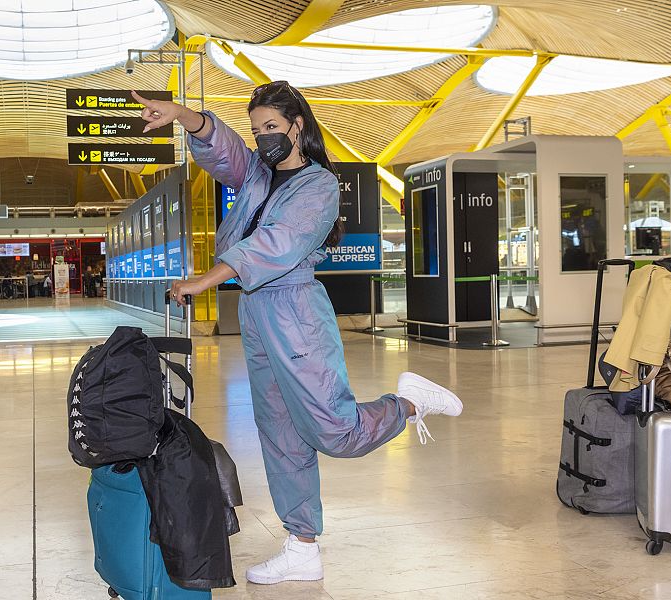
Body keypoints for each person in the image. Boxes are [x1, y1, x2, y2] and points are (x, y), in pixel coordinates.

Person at [134, 84, 464, 585]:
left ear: (297, 126)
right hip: (257, 312)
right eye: (257, 129)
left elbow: (278, 242)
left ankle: (408, 404)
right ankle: (302, 545)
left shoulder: (319, 187)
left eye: (272, 127)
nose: (263, 137)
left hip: (295, 312)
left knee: (335, 430)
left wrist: (208, 277)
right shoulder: (257, 176)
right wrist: (182, 114)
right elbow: (223, 151)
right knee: (281, 434)